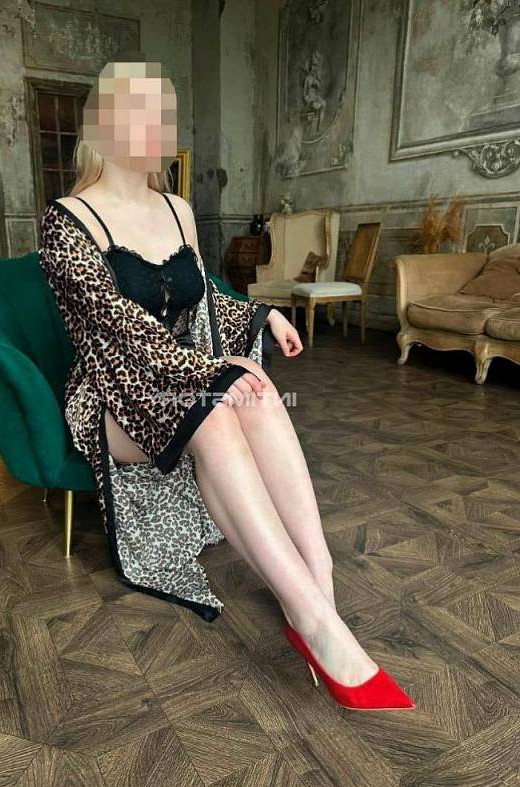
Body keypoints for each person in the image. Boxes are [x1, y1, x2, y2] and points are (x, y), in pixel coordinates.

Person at [39, 57, 414, 711]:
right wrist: (211, 372)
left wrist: (261, 315)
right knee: (215, 410)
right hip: (110, 391)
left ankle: (316, 581)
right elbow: (117, 328)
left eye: (164, 112)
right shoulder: (65, 220)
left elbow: (203, 302)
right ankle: (316, 625)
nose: (158, 126)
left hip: (182, 377)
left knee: (257, 387)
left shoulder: (178, 209)